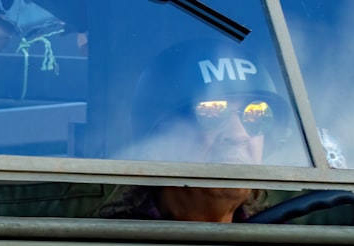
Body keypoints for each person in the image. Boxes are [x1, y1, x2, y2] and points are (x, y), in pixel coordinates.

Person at [104, 37, 289, 223]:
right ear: (159, 139)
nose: (238, 134)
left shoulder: (285, 244)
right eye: (211, 111)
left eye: (256, 114)